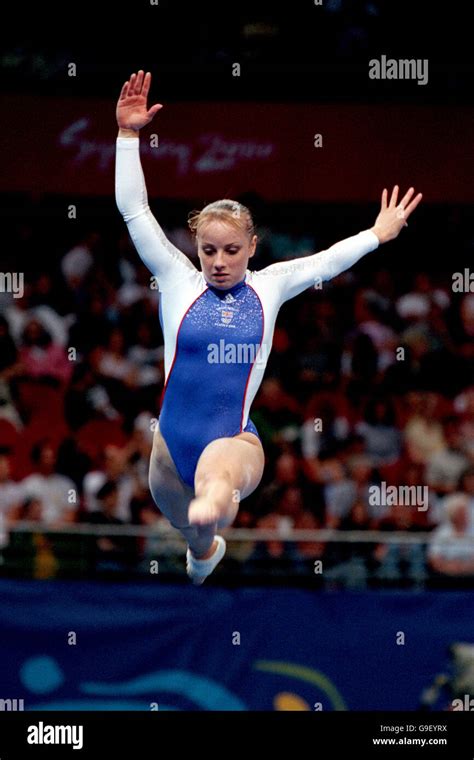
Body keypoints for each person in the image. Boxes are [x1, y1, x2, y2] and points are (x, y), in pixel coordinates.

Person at [115, 70, 422, 584]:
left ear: (253, 247)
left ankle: (211, 511)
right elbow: (134, 209)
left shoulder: (270, 285)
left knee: (214, 486)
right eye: (208, 250)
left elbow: (324, 262)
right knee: (186, 523)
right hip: (168, 444)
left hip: (231, 441)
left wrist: (376, 232)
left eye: (231, 251)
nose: (217, 262)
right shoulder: (176, 279)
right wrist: (128, 136)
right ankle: (202, 549)